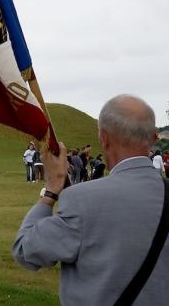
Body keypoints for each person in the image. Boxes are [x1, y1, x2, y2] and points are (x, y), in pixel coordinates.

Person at [12, 94, 169, 304]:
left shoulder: (82, 200)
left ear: (104, 138)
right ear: (154, 137)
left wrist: (50, 192)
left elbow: (26, 251)